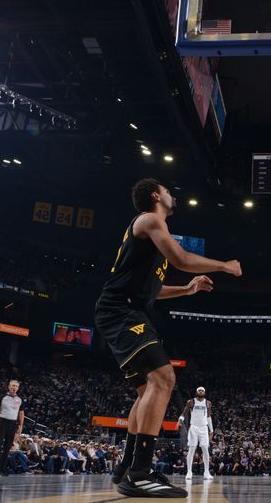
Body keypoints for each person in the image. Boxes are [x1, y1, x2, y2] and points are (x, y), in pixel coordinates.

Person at [96, 178, 241, 498]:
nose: (172, 195)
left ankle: (127, 467)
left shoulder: (150, 236)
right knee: (163, 378)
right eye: (167, 191)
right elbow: (183, 260)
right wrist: (224, 266)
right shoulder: (150, 220)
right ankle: (139, 472)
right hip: (121, 311)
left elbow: (154, 291)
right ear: (154, 196)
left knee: (147, 389)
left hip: (125, 310)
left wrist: (187, 289)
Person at [0, 380, 25, 477]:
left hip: (13, 423)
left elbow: (21, 413)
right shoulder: (2, 397)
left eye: (17, 386)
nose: (15, 388)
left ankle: (3, 468)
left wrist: (20, 426)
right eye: (13, 385)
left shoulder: (20, 399)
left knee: (7, 447)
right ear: (9, 386)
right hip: (2, 421)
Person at [179, 386, 215, 481]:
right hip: (194, 427)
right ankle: (189, 472)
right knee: (191, 449)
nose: (201, 391)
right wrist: (181, 419)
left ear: (204, 392)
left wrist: (211, 430)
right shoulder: (191, 402)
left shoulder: (208, 403)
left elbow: (209, 417)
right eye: (199, 390)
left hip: (204, 428)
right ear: (196, 392)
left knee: (205, 449)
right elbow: (184, 413)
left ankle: (206, 472)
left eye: (203, 390)